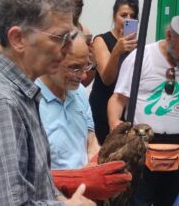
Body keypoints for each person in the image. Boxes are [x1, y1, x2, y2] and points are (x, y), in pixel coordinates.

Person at [0, 0, 95, 205]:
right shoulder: (0, 103)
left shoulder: (21, 93)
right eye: (60, 37)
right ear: (18, 39)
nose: (67, 49)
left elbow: (37, 186)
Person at [108, 14, 179, 206]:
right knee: (138, 201)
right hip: (140, 145)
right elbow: (118, 99)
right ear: (169, 36)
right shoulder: (142, 57)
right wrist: (116, 127)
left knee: (173, 201)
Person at [35, 34, 132, 200]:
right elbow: (31, 176)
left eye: (87, 66)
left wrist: (98, 167)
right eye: (74, 68)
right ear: (51, 62)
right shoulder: (30, 102)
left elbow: (90, 140)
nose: (84, 76)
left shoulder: (78, 92)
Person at [89, 0, 139, 144]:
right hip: (102, 106)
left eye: (132, 16)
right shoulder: (101, 40)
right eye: (123, 15)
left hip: (125, 108)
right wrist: (117, 51)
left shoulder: (137, 46)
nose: (127, 20)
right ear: (114, 16)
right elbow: (107, 79)